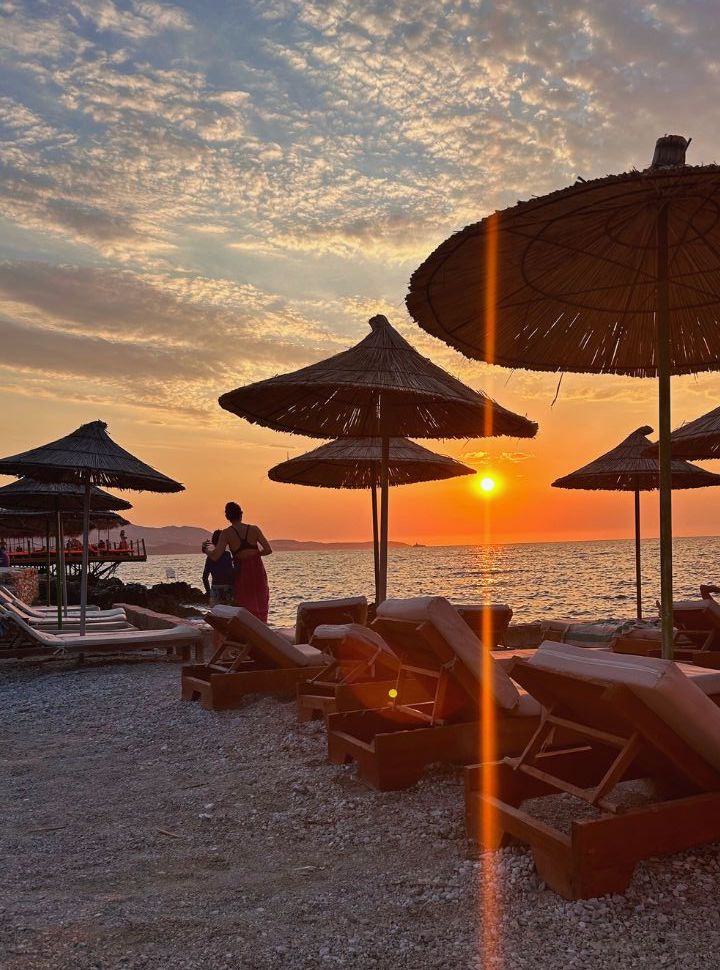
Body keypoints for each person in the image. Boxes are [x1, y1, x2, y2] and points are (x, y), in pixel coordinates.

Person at [202, 502, 272, 621]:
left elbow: (215, 556)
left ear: (227, 517)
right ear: (241, 514)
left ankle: (248, 632)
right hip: (257, 570)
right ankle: (262, 630)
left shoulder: (227, 533)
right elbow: (268, 550)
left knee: (245, 604)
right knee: (261, 601)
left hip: (242, 570)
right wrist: (255, 555)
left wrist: (205, 550)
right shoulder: (254, 529)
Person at [202, 529, 234, 605]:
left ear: (213, 542)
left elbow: (204, 577)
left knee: (216, 614)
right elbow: (231, 573)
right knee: (228, 614)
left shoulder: (210, 557)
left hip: (215, 588)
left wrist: (209, 592)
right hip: (227, 588)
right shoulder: (227, 555)